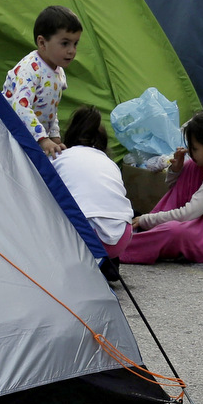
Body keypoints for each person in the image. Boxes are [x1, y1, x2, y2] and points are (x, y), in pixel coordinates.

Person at [115, 109, 203, 265]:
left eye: (195, 149)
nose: (190, 152)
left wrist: (147, 219)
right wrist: (176, 170)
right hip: (202, 224)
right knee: (190, 166)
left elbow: (188, 213)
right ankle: (151, 228)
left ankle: (120, 249)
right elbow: (174, 190)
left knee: (174, 232)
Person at [51, 106, 134, 282]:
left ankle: (84, 263)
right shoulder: (109, 162)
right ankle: (108, 260)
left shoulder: (59, 157)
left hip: (88, 236)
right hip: (122, 236)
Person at [2, 6, 80, 158]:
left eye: (75, 43)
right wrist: (43, 139)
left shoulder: (59, 72)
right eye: (65, 43)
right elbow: (20, 107)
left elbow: (51, 109)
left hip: (33, 139)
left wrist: (54, 136)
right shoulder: (30, 69)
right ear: (42, 43)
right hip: (12, 138)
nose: (72, 50)